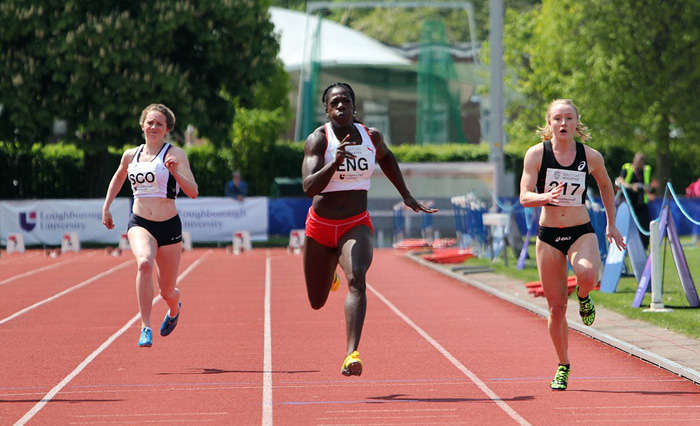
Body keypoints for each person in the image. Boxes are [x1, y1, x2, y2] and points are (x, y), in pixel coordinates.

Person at [301, 82, 437, 376]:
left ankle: (351, 354)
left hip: (355, 223)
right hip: (321, 228)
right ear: (326, 110)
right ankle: (330, 273)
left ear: (354, 107)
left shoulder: (370, 137)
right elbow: (308, 187)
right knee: (316, 301)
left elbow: (386, 158)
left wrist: (406, 194)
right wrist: (334, 164)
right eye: (334, 103)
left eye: (345, 102)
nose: (340, 107)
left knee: (358, 278)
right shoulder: (318, 141)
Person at [519, 99, 625, 390]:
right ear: (549, 123)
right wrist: (544, 197)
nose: (563, 123)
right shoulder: (536, 154)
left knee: (588, 274)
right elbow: (524, 196)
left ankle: (584, 295)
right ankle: (563, 364)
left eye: (569, 118)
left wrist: (611, 223)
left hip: (581, 230)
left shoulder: (590, 156)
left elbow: (605, 185)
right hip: (549, 236)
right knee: (555, 309)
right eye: (557, 118)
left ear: (577, 123)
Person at [102, 104, 198, 348]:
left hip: (169, 227)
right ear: (142, 125)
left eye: (159, 124)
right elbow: (119, 176)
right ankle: (145, 326)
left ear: (166, 129)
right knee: (144, 263)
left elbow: (193, 192)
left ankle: (174, 308)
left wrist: (176, 173)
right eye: (150, 122)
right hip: (140, 223)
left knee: (167, 291)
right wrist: (107, 206)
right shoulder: (130, 155)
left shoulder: (175, 154)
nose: (154, 127)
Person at [615, 152, 656, 249]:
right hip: (627, 200)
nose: (639, 165)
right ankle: (622, 247)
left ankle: (644, 247)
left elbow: (650, 184)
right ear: (634, 160)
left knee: (644, 225)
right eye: (637, 162)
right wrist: (630, 187)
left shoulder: (647, 170)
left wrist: (647, 188)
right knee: (625, 224)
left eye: (641, 163)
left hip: (641, 202)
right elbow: (620, 180)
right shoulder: (627, 167)